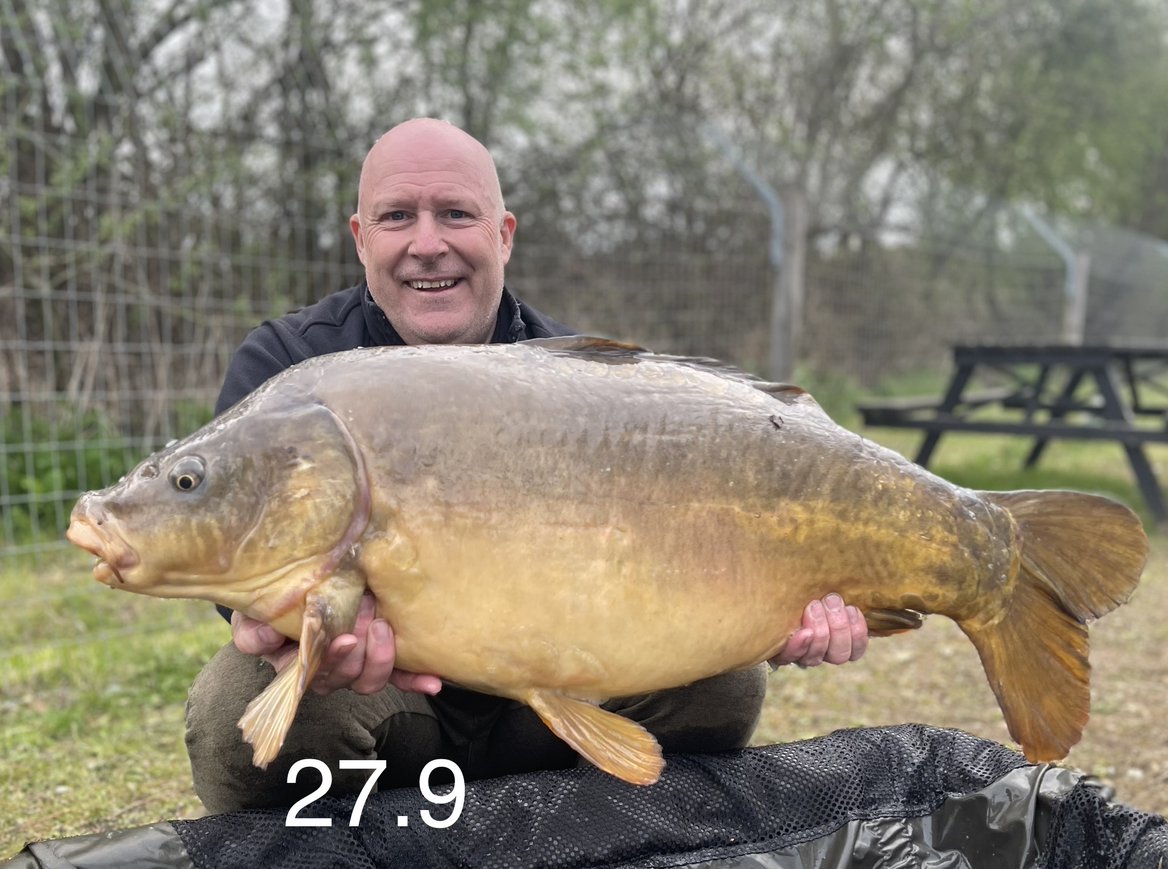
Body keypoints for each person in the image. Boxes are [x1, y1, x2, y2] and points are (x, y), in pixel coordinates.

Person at [185, 118, 870, 813]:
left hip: (552, 691)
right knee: (233, 713)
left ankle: (590, 835)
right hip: (384, 702)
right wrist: (268, 625)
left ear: (504, 234)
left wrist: (773, 610)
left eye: (456, 213)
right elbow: (226, 536)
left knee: (730, 680)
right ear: (361, 239)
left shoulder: (576, 380)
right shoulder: (290, 368)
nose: (428, 244)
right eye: (397, 218)